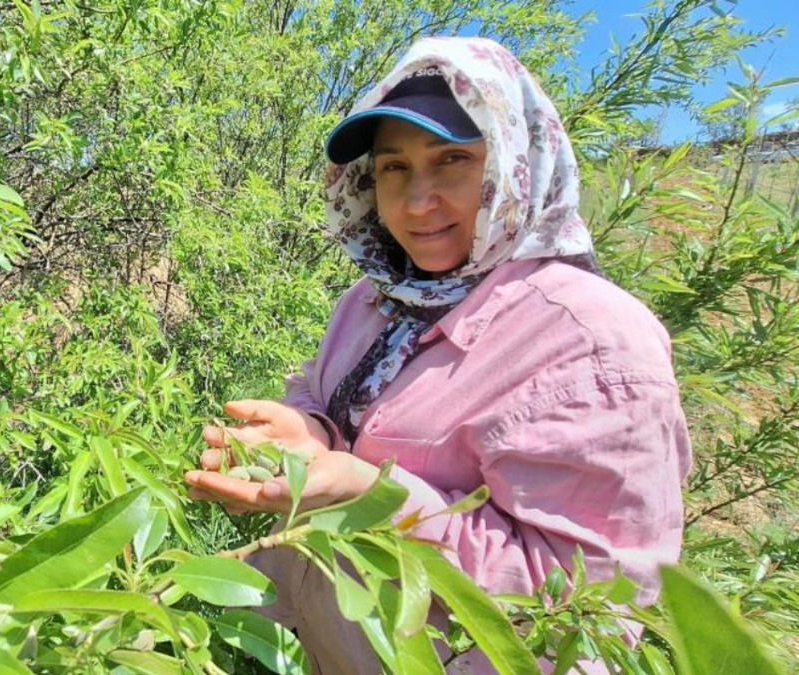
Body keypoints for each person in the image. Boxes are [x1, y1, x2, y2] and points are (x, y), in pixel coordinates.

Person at [184, 36, 691, 673]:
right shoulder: (378, 301)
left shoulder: (590, 342)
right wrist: (307, 429)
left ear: (514, 160)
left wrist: (374, 500)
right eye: (394, 166)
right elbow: (327, 397)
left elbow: (590, 605)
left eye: (451, 159)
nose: (417, 202)